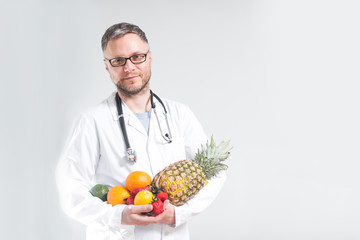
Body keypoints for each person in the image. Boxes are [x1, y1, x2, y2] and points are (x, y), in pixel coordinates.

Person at [56, 22, 226, 240]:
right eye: (118, 60)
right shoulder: (91, 121)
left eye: (137, 56)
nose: (129, 67)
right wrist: (119, 216)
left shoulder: (180, 114)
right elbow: (71, 191)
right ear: (107, 66)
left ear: (150, 58)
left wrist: (179, 213)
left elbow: (216, 172)